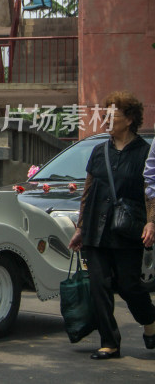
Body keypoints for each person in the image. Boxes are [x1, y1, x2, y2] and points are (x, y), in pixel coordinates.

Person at [68, 91, 155, 360]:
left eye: (112, 116)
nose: (106, 120)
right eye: (104, 115)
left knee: (129, 285)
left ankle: (150, 321)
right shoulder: (98, 150)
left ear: (129, 119)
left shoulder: (143, 152)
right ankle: (110, 342)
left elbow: (149, 190)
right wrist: (80, 227)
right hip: (96, 227)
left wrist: (151, 222)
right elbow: (88, 190)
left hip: (128, 228)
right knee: (99, 285)